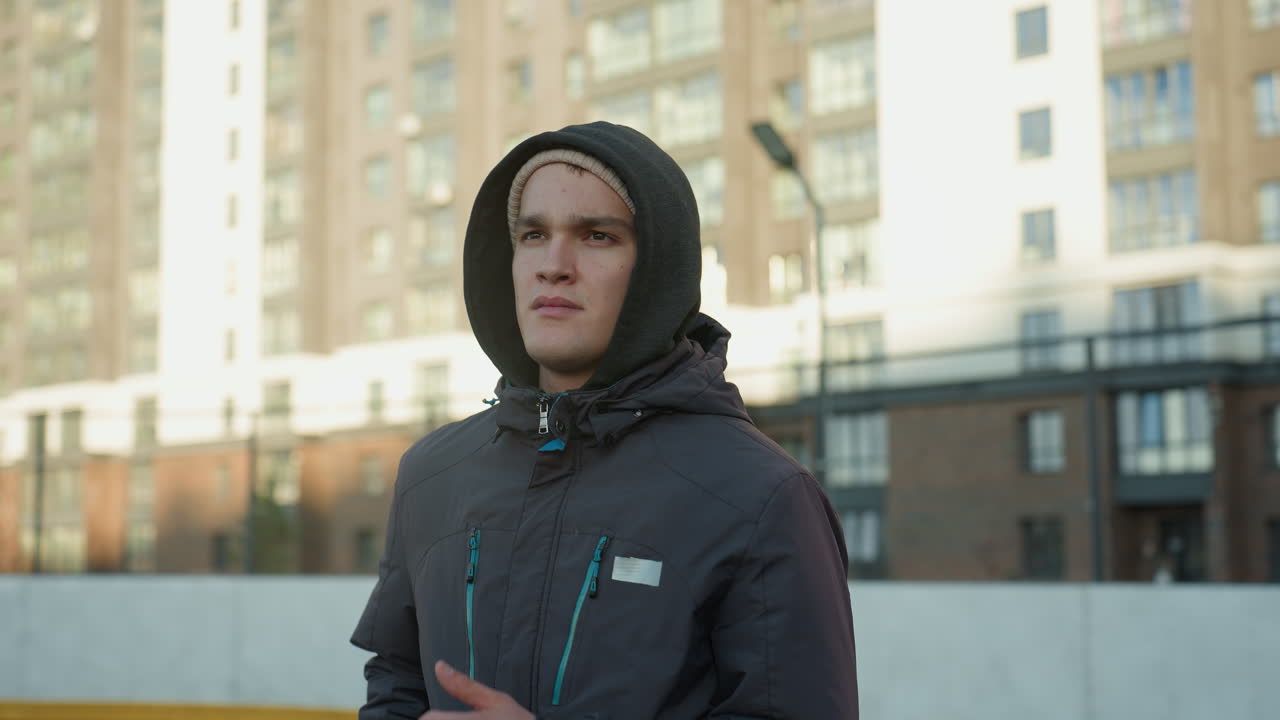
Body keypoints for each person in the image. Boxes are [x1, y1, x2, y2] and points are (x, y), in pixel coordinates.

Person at [351, 121, 859, 719]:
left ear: (657, 269)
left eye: (597, 236)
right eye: (533, 234)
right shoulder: (432, 476)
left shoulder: (761, 497)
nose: (554, 265)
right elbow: (396, 691)